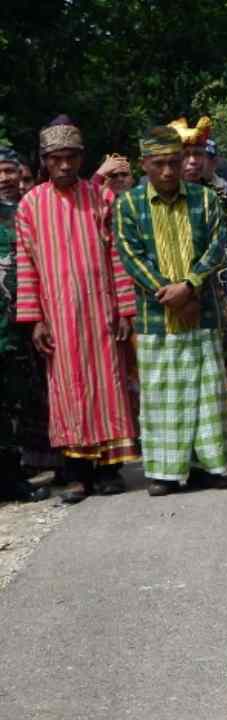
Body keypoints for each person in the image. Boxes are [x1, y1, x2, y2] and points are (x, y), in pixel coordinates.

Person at [15, 116, 140, 503]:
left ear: (82, 158)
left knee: (108, 386)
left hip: (100, 312)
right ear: (44, 161)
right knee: (67, 392)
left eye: (71, 157)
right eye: (56, 159)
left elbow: (117, 255)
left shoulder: (101, 197)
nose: (64, 165)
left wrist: (124, 309)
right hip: (59, 317)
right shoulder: (30, 205)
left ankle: (108, 471)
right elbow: (26, 266)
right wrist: (35, 320)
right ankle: (75, 474)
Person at [114, 126, 227, 496]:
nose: (168, 172)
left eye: (174, 162)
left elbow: (219, 243)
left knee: (205, 392)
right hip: (155, 318)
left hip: (202, 312)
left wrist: (191, 286)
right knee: (161, 395)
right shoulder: (129, 205)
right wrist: (169, 293)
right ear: (144, 164)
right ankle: (165, 473)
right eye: (159, 164)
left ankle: (207, 468)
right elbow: (131, 256)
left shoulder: (205, 199)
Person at [172, 117, 227, 454]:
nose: (192, 161)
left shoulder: (220, 195)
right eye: (185, 155)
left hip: (218, 294)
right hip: (176, 295)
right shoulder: (165, 199)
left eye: (198, 154)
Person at [0, 144, 51, 502]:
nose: (4, 177)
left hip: (20, 330)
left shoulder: (27, 212)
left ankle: (15, 477)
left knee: (20, 404)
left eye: (9, 169)